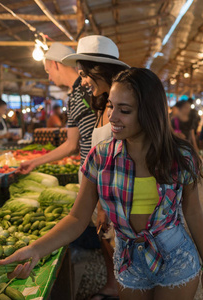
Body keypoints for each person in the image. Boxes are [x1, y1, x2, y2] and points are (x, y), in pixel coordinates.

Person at [0, 68, 203, 300]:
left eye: (124, 110)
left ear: (150, 112)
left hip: (176, 257)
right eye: (111, 106)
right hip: (129, 260)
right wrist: (35, 249)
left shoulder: (180, 156)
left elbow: (192, 211)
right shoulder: (100, 157)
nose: (112, 117)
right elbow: (76, 218)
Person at [62, 35, 129, 300]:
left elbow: (120, 156)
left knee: (120, 250)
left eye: (84, 74)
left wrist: (103, 205)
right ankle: (115, 287)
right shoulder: (101, 102)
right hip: (99, 188)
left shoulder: (119, 106)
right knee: (107, 244)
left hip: (113, 193)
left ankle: (126, 291)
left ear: (98, 70)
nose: (82, 81)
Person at [17, 42, 95, 174]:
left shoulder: (90, 89)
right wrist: (34, 162)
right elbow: (70, 145)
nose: (49, 77)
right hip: (88, 169)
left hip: (100, 169)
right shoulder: (72, 99)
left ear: (55, 64)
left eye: (48, 71)